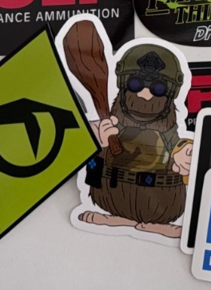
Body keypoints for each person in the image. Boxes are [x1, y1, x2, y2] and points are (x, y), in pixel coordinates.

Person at [81, 45, 193, 238]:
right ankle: (121, 219)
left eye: (158, 88)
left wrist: (185, 159)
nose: (145, 94)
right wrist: (98, 144)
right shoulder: (111, 125)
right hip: (111, 196)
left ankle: (155, 224)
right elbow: (90, 168)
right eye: (135, 84)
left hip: (163, 203)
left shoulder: (169, 132)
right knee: (97, 158)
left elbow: (181, 148)